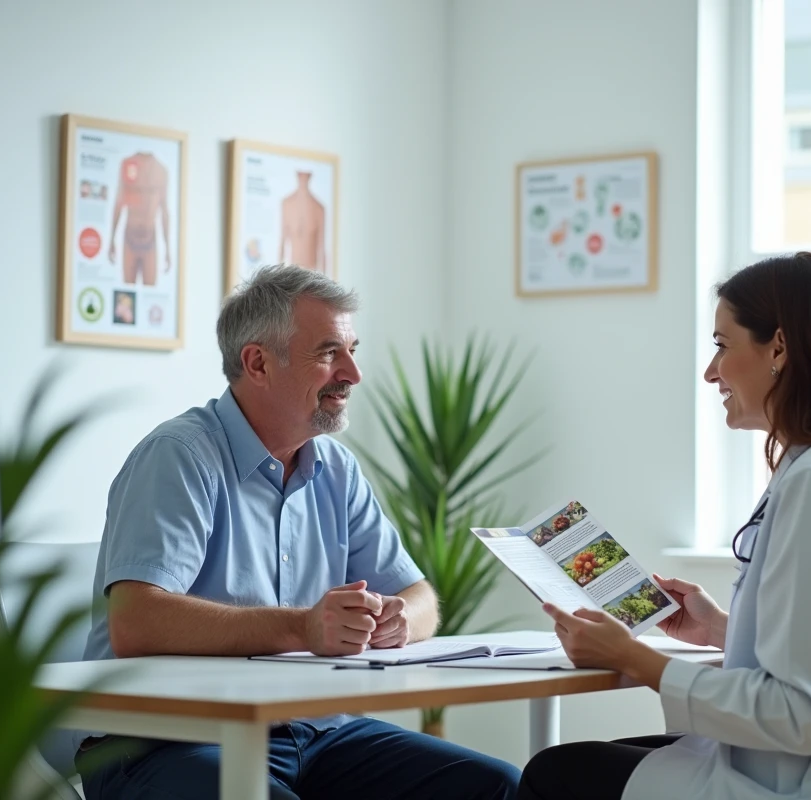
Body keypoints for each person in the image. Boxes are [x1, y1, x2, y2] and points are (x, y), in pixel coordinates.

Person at [74, 264, 520, 799]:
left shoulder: (336, 468)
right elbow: (135, 622)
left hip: (315, 732)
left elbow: (420, 596)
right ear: (258, 362)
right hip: (165, 741)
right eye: (330, 352)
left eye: (353, 349)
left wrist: (400, 621)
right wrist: (303, 628)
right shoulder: (180, 456)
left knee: (495, 787)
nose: (353, 373)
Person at [519, 252, 811, 800]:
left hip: (796, 776)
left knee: (554, 775)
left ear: (779, 348)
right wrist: (719, 628)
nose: (710, 371)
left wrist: (633, 658)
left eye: (722, 345)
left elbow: (801, 714)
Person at [108, 151, 172, 286]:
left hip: (150, 240)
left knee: (149, 293)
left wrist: (168, 249)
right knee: (126, 294)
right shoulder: (128, 164)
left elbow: (164, 211)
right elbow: (119, 203)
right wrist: (111, 239)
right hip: (130, 237)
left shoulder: (161, 171)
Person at [278, 170, 328, 273]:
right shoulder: (287, 204)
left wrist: (325, 281)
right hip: (292, 275)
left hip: (311, 275)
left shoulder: (318, 208)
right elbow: (282, 242)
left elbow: (321, 248)